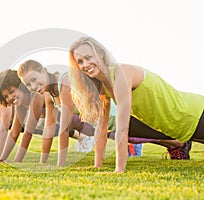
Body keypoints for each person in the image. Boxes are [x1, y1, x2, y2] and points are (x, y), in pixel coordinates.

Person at [68, 36, 204, 173]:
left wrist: (119, 170)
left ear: (101, 54)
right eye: (80, 61)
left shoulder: (121, 74)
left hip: (194, 114)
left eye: (89, 57)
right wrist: (97, 166)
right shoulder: (102, 88)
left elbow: (122, 128)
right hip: (178, 129)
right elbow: (101, 130)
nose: (85, 64)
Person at [0, 69, 94, 163]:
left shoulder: (37, 95)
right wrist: (1, 158)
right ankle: (85, 138)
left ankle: (87, 139)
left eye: (12, 92)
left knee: (98, 131)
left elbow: (27, 133)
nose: (10, 97)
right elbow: (14, 132)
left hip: (79, 117)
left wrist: (17, 160)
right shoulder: (20, 105)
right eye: (6, 96)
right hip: (63, 120)